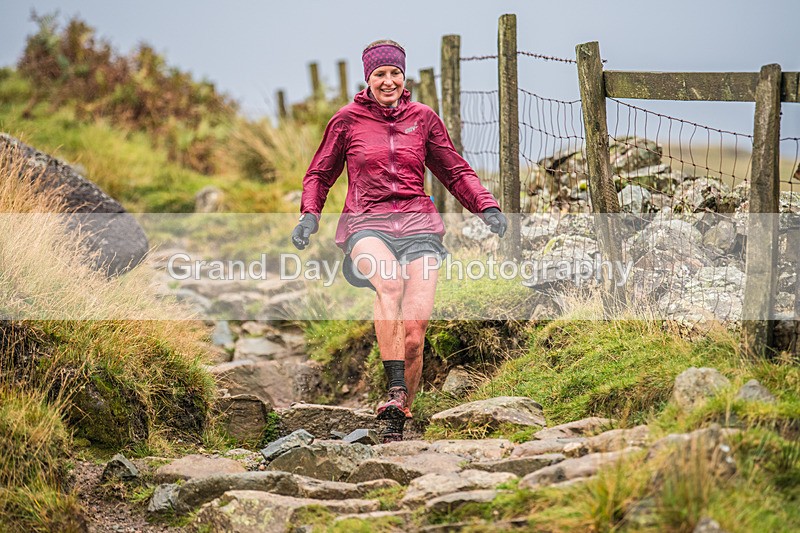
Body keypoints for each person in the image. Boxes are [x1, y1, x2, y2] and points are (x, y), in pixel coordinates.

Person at [292, 39, 507, 442]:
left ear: (403, 76)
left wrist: (486, 207)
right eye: (379, 74)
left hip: (418, 225)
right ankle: (393, 389)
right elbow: (319, 174)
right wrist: (309, 215)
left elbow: (454, 170)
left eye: (394, 73)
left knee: (415, 329)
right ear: (368, 79)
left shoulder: (423, 118)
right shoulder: (347, 121)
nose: (388, 81)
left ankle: (399, 411)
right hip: (366, 222)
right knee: (388, 283)